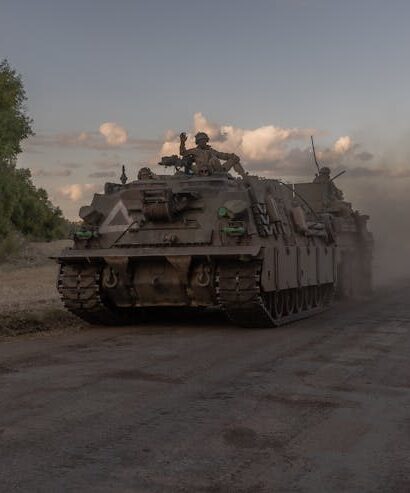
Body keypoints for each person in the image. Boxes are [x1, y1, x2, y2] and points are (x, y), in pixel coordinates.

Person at [179, 132, 247, 177]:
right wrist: (182, 142)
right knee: (212, 160)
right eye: (200, 141)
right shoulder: (194, 151)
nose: (202, 142)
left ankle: (244, 175)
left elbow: (222, 155)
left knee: (233, 158)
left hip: (217, 171)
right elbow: (183, 153)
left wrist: (231, 156)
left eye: (204, 140)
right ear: (197, 142)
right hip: (201, 171)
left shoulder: (211, 151)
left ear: (206, 141)